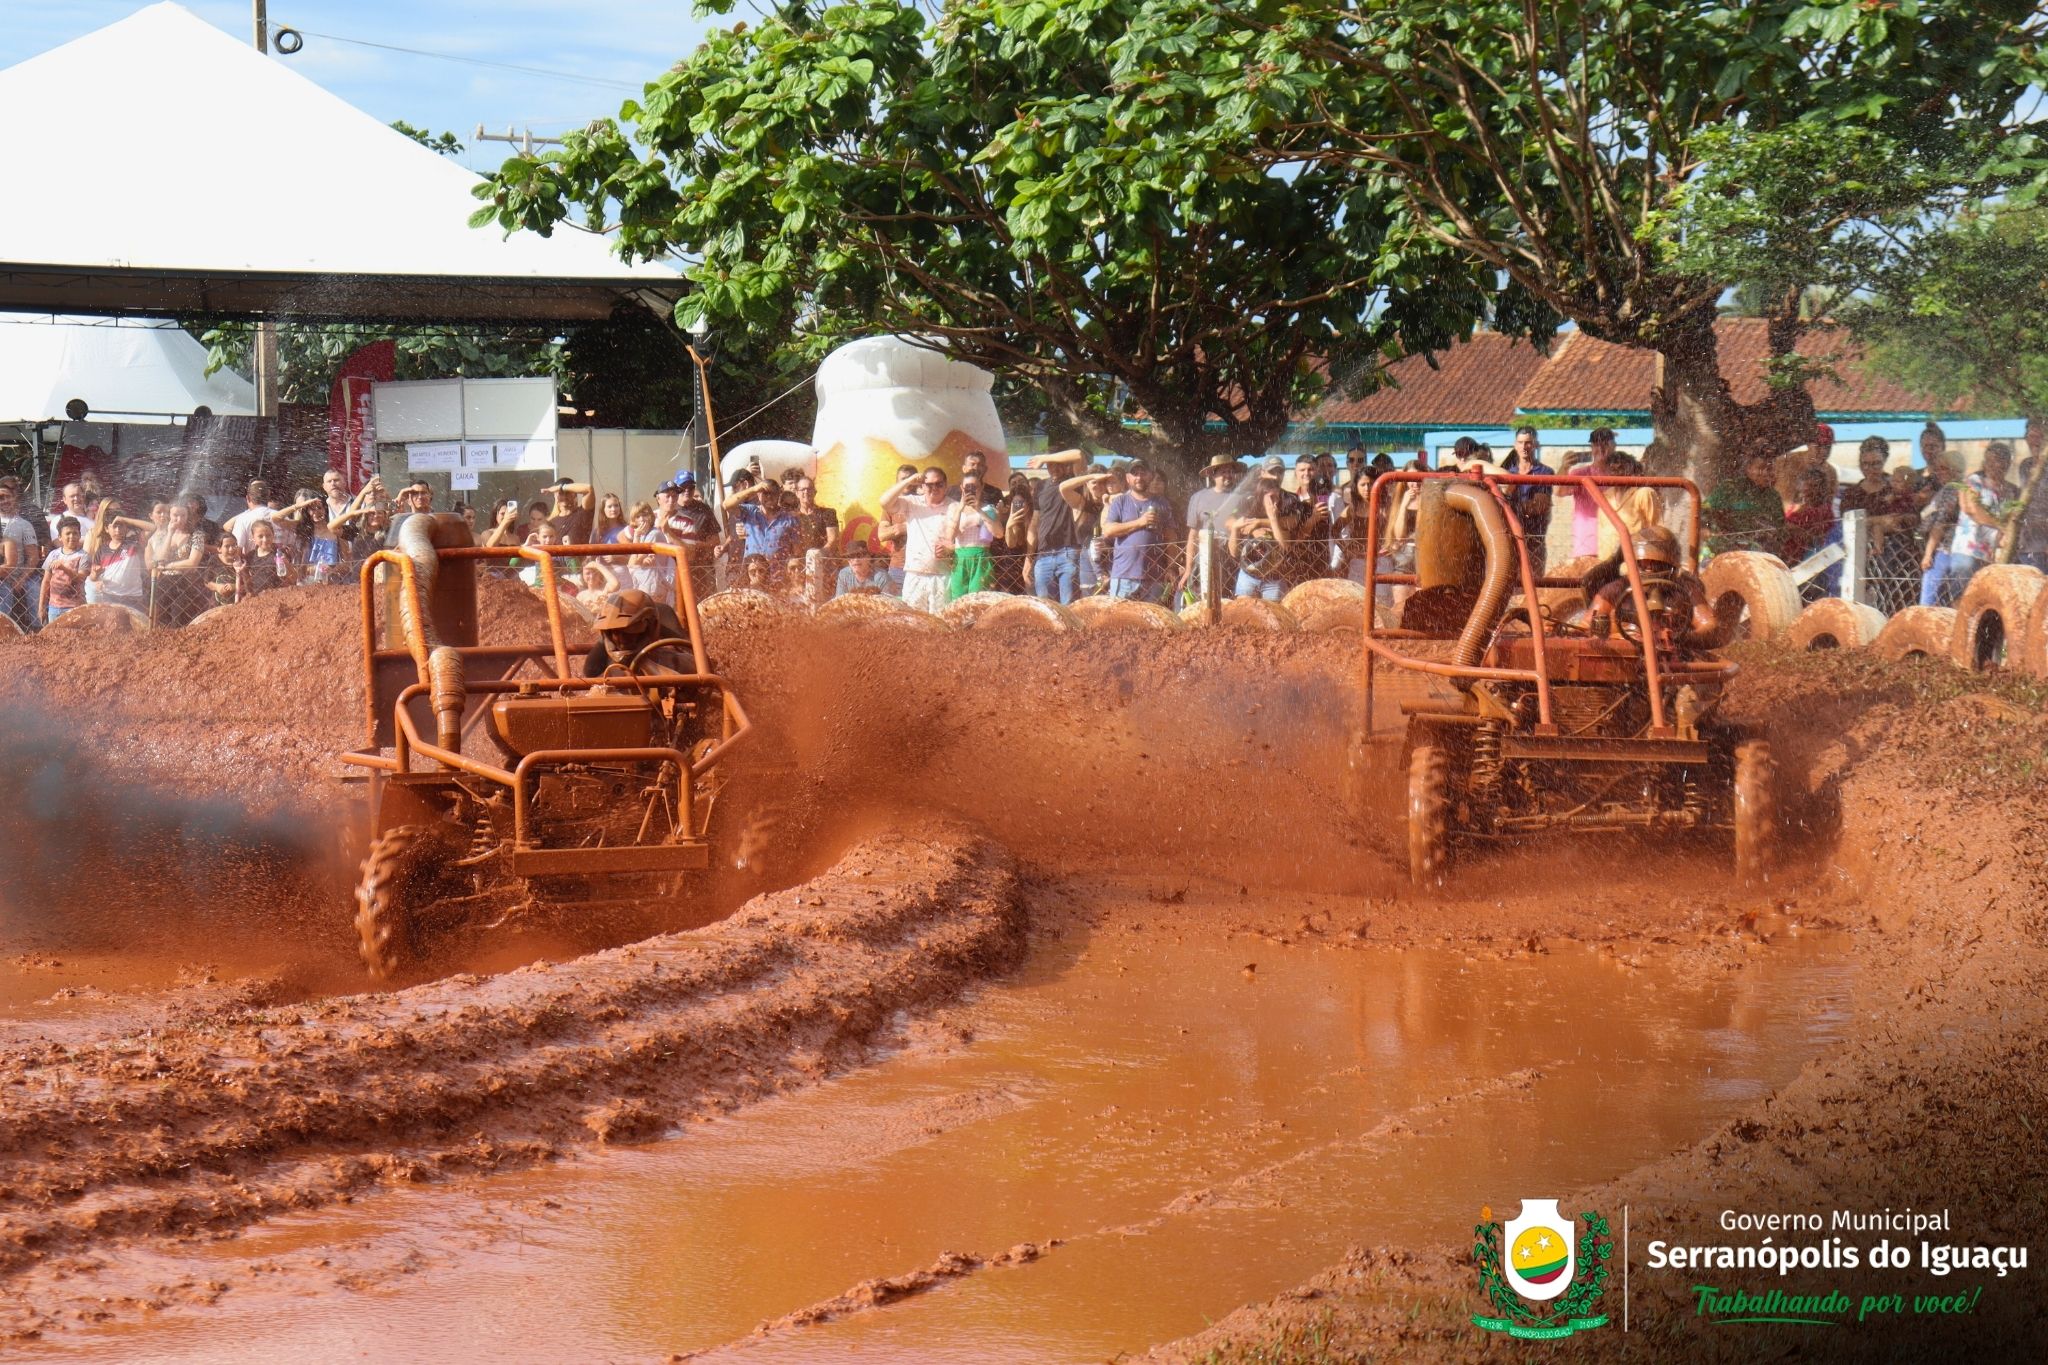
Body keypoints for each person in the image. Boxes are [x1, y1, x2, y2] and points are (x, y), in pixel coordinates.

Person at [1839, 437, 1921, 615]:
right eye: (1865, 464)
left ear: (1885, 461)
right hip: (1860, 551)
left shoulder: (1897, 487)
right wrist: (1881, 521)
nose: (1870, 469)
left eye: (1875, 464)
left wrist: (1888, 521)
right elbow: (1846, 523)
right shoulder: (1852, 494)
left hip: (1897, 551)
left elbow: (1914, 517)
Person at [1944, 442, 2021, 601]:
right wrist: (2001, 526)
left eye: (1998, 461)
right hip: (1968, 550)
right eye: (1989, 460)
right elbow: (1973, 510)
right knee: (1961, 597)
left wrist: (2005, 534)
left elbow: (2011, 521)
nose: (1992, 465)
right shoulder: (1973, 482)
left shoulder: (2011, 490)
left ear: (2007, 464)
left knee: (1982, 599)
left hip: (1991, 554)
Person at [1228, 456, 1306, 601]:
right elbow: (1231, 524)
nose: (1276, 476)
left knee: (1274, 616)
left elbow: (1290, 530)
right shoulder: (1249, 500)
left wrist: (1263, 522)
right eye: (1272, 472)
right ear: (1262, 472)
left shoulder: (1289, 500)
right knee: (1243, 612)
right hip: (1248, 574)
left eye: (1280, 472)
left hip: (1275, 577)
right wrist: (1240, 529)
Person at [879, 466, 957, 613]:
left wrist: (950, 549)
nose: (934, 488)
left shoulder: (954, 506)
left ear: (946, 486)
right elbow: (884, 502)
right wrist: (909, 481)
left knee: (940, 624)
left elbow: (962, 542)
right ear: (922, 486)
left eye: (939, 484)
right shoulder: (912, 502)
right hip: (915, 573)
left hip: (942, 576)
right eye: (929, 485)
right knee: (912, 622)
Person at [1101, 459, 1178, 602]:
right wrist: (1140, 522)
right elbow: (1108, 531)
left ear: (1150, 476)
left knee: (1152, 623)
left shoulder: (1162, 503)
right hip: (1124, 576)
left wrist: (1171, 567)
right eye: (1135, 474)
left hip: (1155, 578)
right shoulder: (1120, 501)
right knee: (1119, 621)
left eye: (1143, 473)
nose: (1139, 477)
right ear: (1127, 478)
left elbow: (1171, 538)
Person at [1024, 449, 1092, 603]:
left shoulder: (1073, 481)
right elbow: (1035, 522)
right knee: (1045, 606)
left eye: (1058, 463)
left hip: (1068, 552)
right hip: (1043, 554)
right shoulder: (1041, 486)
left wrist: (1045, 457)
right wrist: (1029, 558)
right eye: (1050, 464)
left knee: (1068, 606)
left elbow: (1078, 455)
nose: (1054, 467)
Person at [1179, 457, 1244, 603]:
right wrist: (1188, 569)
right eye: (1223, 472)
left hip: (1231, 561)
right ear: (1213, 475)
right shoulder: (1198, 498)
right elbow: (1192, 536)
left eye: (1230, 471)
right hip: (1203, 560)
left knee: (1229, 604)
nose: (1228, 475)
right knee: (1202, 602)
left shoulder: (1241, 498)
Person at [584, 589, 690, 678]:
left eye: (628, 632)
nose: (619, 638)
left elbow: (699, 670)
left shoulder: (674, 659)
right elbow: (589, 674)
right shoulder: (602, 663)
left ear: (650, 626)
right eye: (614, 632)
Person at [1703, 451, 1785, 558]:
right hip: (1722, 552)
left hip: (1759, 555)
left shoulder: (1773, 496)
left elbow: (1779, 527)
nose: (1766, 473)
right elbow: (1703, 511)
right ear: (1748, 469)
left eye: (1769, 469)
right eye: (1761, 468)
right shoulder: (1730, 488)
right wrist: (1705, 529)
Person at [722, 473, 803, 576]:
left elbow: (797, 551)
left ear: (779, 494)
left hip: (778, 576)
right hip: (753, 576)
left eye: (772, 493)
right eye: (765, 493)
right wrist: (754, 489)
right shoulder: (750, 512)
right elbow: (726, 505)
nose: (769, 497)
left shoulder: (790, 518)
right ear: (758, 495)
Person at [656, 475, 721, 602]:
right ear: (658, 498)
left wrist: (669, 533)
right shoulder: (648, 518)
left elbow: (690, 554)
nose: (671, 500)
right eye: (667, 496)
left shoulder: (688, 520)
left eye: (674, 496)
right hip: (652, 576)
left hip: (678, 576)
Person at [941, 474, 1004, 600]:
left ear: (981, 487)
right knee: (958, 600)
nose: (971, 490)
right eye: (967, 487)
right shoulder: (954, 508)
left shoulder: (988, 508)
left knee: (978, 599)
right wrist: (960, 509)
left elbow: (998, 533)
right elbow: (949, 537)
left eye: (974, 487)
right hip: (960, 557)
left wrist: (979, 510)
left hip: (981, 557)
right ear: (961, 488)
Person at [1501, 425, 1555, 571]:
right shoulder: (1505, 472)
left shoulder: (1545, 472)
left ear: (1536, 445)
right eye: (1520, 442)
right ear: (1515, 445)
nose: (1524, 447)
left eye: (1528, 443)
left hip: (1533, 540)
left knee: (1533, 584)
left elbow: (1539, 506)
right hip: (1508, 540)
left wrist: (1508, 504)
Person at [1917, 453, 1964, 606]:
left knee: (1928, 600)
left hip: (1945, 550)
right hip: (1957, 550)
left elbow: (1940, 523)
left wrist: (1928, 553)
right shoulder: (1960, 488)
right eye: (1938, 469)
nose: (1939, 472)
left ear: (1955, 470)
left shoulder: (1951, 489)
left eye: (1944, 468)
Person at [0, 481, 42, 630]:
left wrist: (21, 579)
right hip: (1, 575)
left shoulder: (24, 524)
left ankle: (38, 628)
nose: (4, 501)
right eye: (0, 498)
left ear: (14, 498)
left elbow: (33, 557)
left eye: (7, 497)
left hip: (21, 575)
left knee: (34, 590)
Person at [875, 462, 919, 593]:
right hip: (897, 567)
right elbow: (882, 535)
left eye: (911, 479)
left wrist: (905, 528)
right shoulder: (891, 506)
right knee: (896, 608)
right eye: (903, 480)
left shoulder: (923, 503)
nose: (908, 483)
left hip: (920, 569)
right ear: (896, 483)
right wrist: (897, 529)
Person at [39, 516, 88, 623]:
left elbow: (80, 578)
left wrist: (63, 568)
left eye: (75, 533)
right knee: (54, 636)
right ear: (60, 537)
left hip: (75, 606)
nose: (72, 536)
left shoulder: (84, 556)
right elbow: (46, 581)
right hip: (54, 607)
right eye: (68, 533)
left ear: (80, 535)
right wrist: (42, 607)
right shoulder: (53, 555)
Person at [243, 518, 297, 597]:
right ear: (253, 537)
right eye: (260, 536)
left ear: (273, 535)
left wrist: (286, 563)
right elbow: (247, 580)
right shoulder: (250, 557)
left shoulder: (281, 552)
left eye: (268, 535)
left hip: (279, 595)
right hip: (258, 597)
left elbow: (294, 578)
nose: (265, 539)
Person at [545, 478, 595, 545]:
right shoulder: (551, 522)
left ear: (574, 494)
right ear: (554, 495)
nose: (564, 496)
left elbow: (589, 489)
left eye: (567, 493)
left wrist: (561, 487)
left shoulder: (583, 513)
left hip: (578, 555)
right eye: (561, 493)